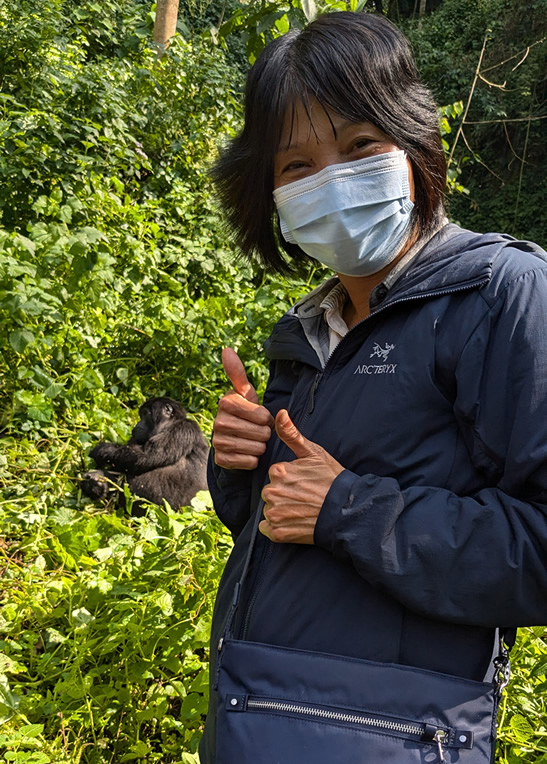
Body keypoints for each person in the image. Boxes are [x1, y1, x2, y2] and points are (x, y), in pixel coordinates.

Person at [199, 11, 547, 761]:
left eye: (358, 146)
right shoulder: (309, 329)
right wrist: (237, 465)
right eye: (295, 166)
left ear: (415, 147)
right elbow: (278, 527)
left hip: (390, 733)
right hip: (256, 709)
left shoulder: (500, 294)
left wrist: (348, 507)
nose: (328, 180)